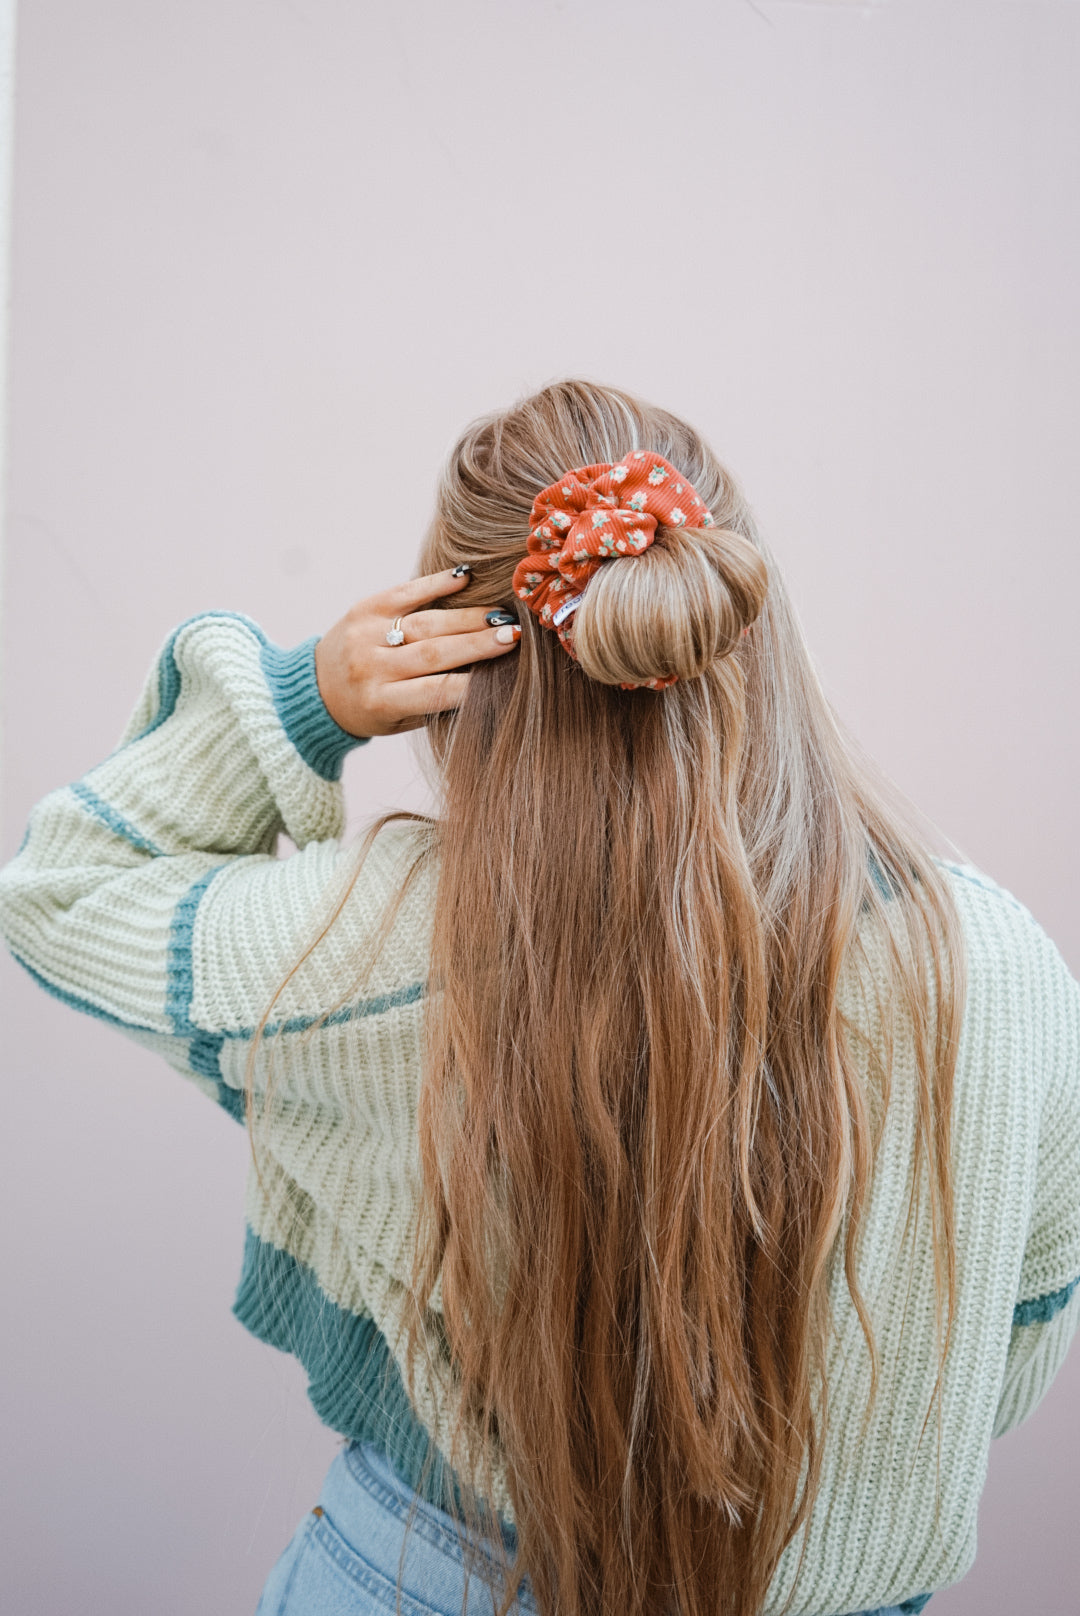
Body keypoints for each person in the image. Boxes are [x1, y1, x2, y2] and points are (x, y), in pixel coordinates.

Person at [1, 378, 1077, 1616]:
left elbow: (66, 892)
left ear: (465, 652)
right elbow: (1020, 1322)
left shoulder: (381, 945)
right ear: (740, 616)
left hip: (425, 1574)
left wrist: (306, 700)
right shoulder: (986, 964)